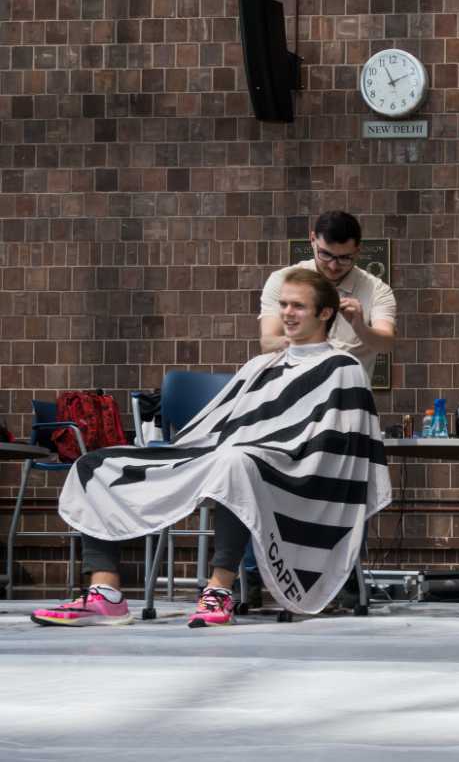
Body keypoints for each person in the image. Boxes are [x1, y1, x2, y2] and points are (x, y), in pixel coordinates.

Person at [34, 268, 390, 627]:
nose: (286, 313)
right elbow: (219, 425)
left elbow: (340, 448)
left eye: (298, 306)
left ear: (324, 313)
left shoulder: (344, 367)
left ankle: (219, 589)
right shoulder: (260, 365)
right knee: (94, 464)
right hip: (222, 453)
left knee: (235, 461)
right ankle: (106, 593)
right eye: (283, 304)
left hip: (289, 470)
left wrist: (271, 450)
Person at [259, 210, 397, 368]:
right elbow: (268, 343)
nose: (333, 266)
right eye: (325, 254)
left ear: (358, 251)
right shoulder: (282, 280)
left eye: (344, 258)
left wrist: (359, 326)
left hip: (348, 389)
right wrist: (307, 338)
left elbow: (386, 345)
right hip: (292, 387)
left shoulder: (377, 290)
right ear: (312, 240)